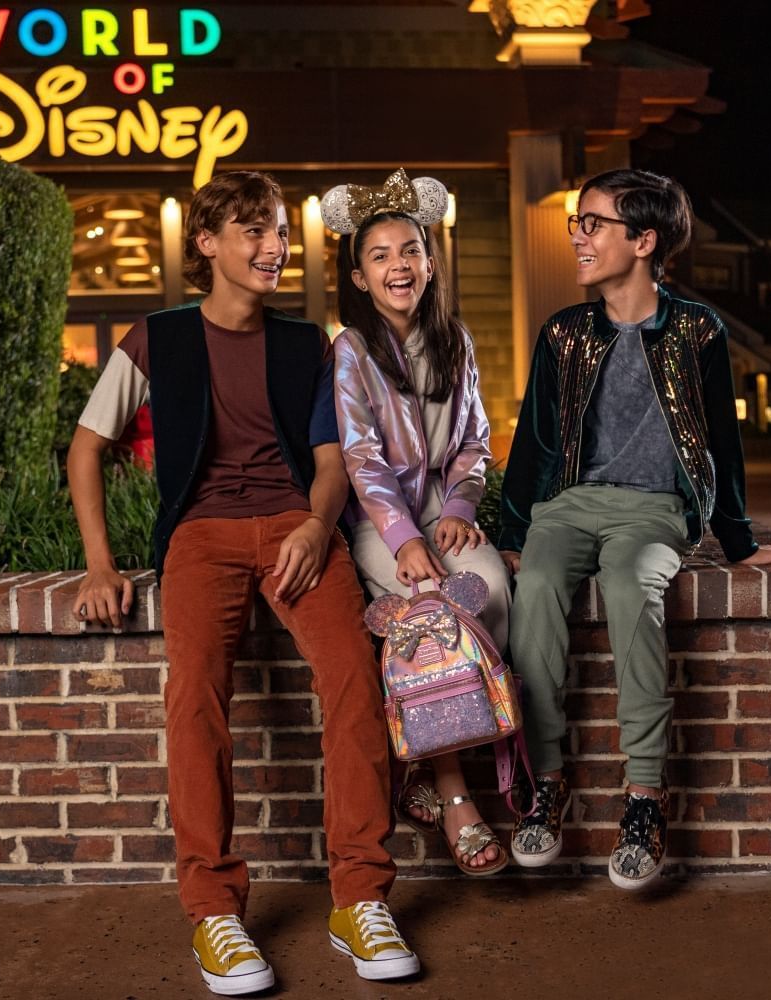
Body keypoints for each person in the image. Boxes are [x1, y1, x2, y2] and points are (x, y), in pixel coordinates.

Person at [68, 171, 420, 995]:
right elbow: (87, 448)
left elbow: (332, 464)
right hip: (200, 538)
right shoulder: (156, 338)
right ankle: (215, 913)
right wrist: (98, 563)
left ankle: (359, 899)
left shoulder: (309, 344)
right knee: (194, 694)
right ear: (208, 243)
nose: (275, 246)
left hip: (297, 530)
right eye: (255, 231)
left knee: (353, 685)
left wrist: (309, 525)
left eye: (279, 233)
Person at [498, 168, 771, 891]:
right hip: (568, 505)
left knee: (632, 585)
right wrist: (511, 533)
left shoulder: (696, 330)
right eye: (577, 222)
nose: (577, 236)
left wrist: (738, 540)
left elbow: (719, 445)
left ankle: (642, 797)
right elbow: (535, 443)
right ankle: (545, 783)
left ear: (642, 239)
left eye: (591, 223)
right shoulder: (564, 332)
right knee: (534, 586)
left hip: (654, 509)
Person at [322, 169, 511, 876]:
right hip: (382, 521)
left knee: (487, 592)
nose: (397, 265)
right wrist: (403, 542)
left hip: (444, 512)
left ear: (429, 264)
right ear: (359, 276)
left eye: (409, 251)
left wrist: (460, 511)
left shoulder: (455, 339)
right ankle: (457, 793)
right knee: (429, 614)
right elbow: (361, 458)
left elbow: (474, 442)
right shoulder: (351, 350)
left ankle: (438, 757)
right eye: (380, 256)